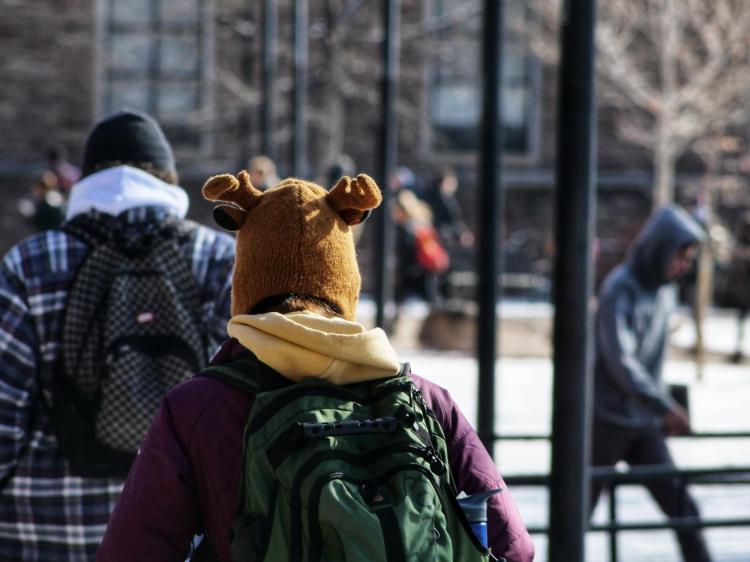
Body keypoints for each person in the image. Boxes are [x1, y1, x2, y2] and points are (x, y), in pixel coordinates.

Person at [97, 172, 534, 562]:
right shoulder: (425, 400)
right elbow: (512, 545)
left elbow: (134, 549)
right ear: (346, 285)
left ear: (246, 284)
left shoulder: (198, 408)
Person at [0, 110, 236, 561]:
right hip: (179, 534)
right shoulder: (221, 260)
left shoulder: (29, 263)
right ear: (168, 179)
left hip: (43, 532)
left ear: (84, 181)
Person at [591, 205, 712, 562]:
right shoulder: (620, 288)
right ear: (660, 248)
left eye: (690, 259)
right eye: (681, 256)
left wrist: (662, 405)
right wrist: (663, 404)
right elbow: (621, 359)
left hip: (643, 422)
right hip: (604, 421)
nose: (684, 266)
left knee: (684, 509)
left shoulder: (664, 291)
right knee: (574, 517)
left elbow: (645, 360)